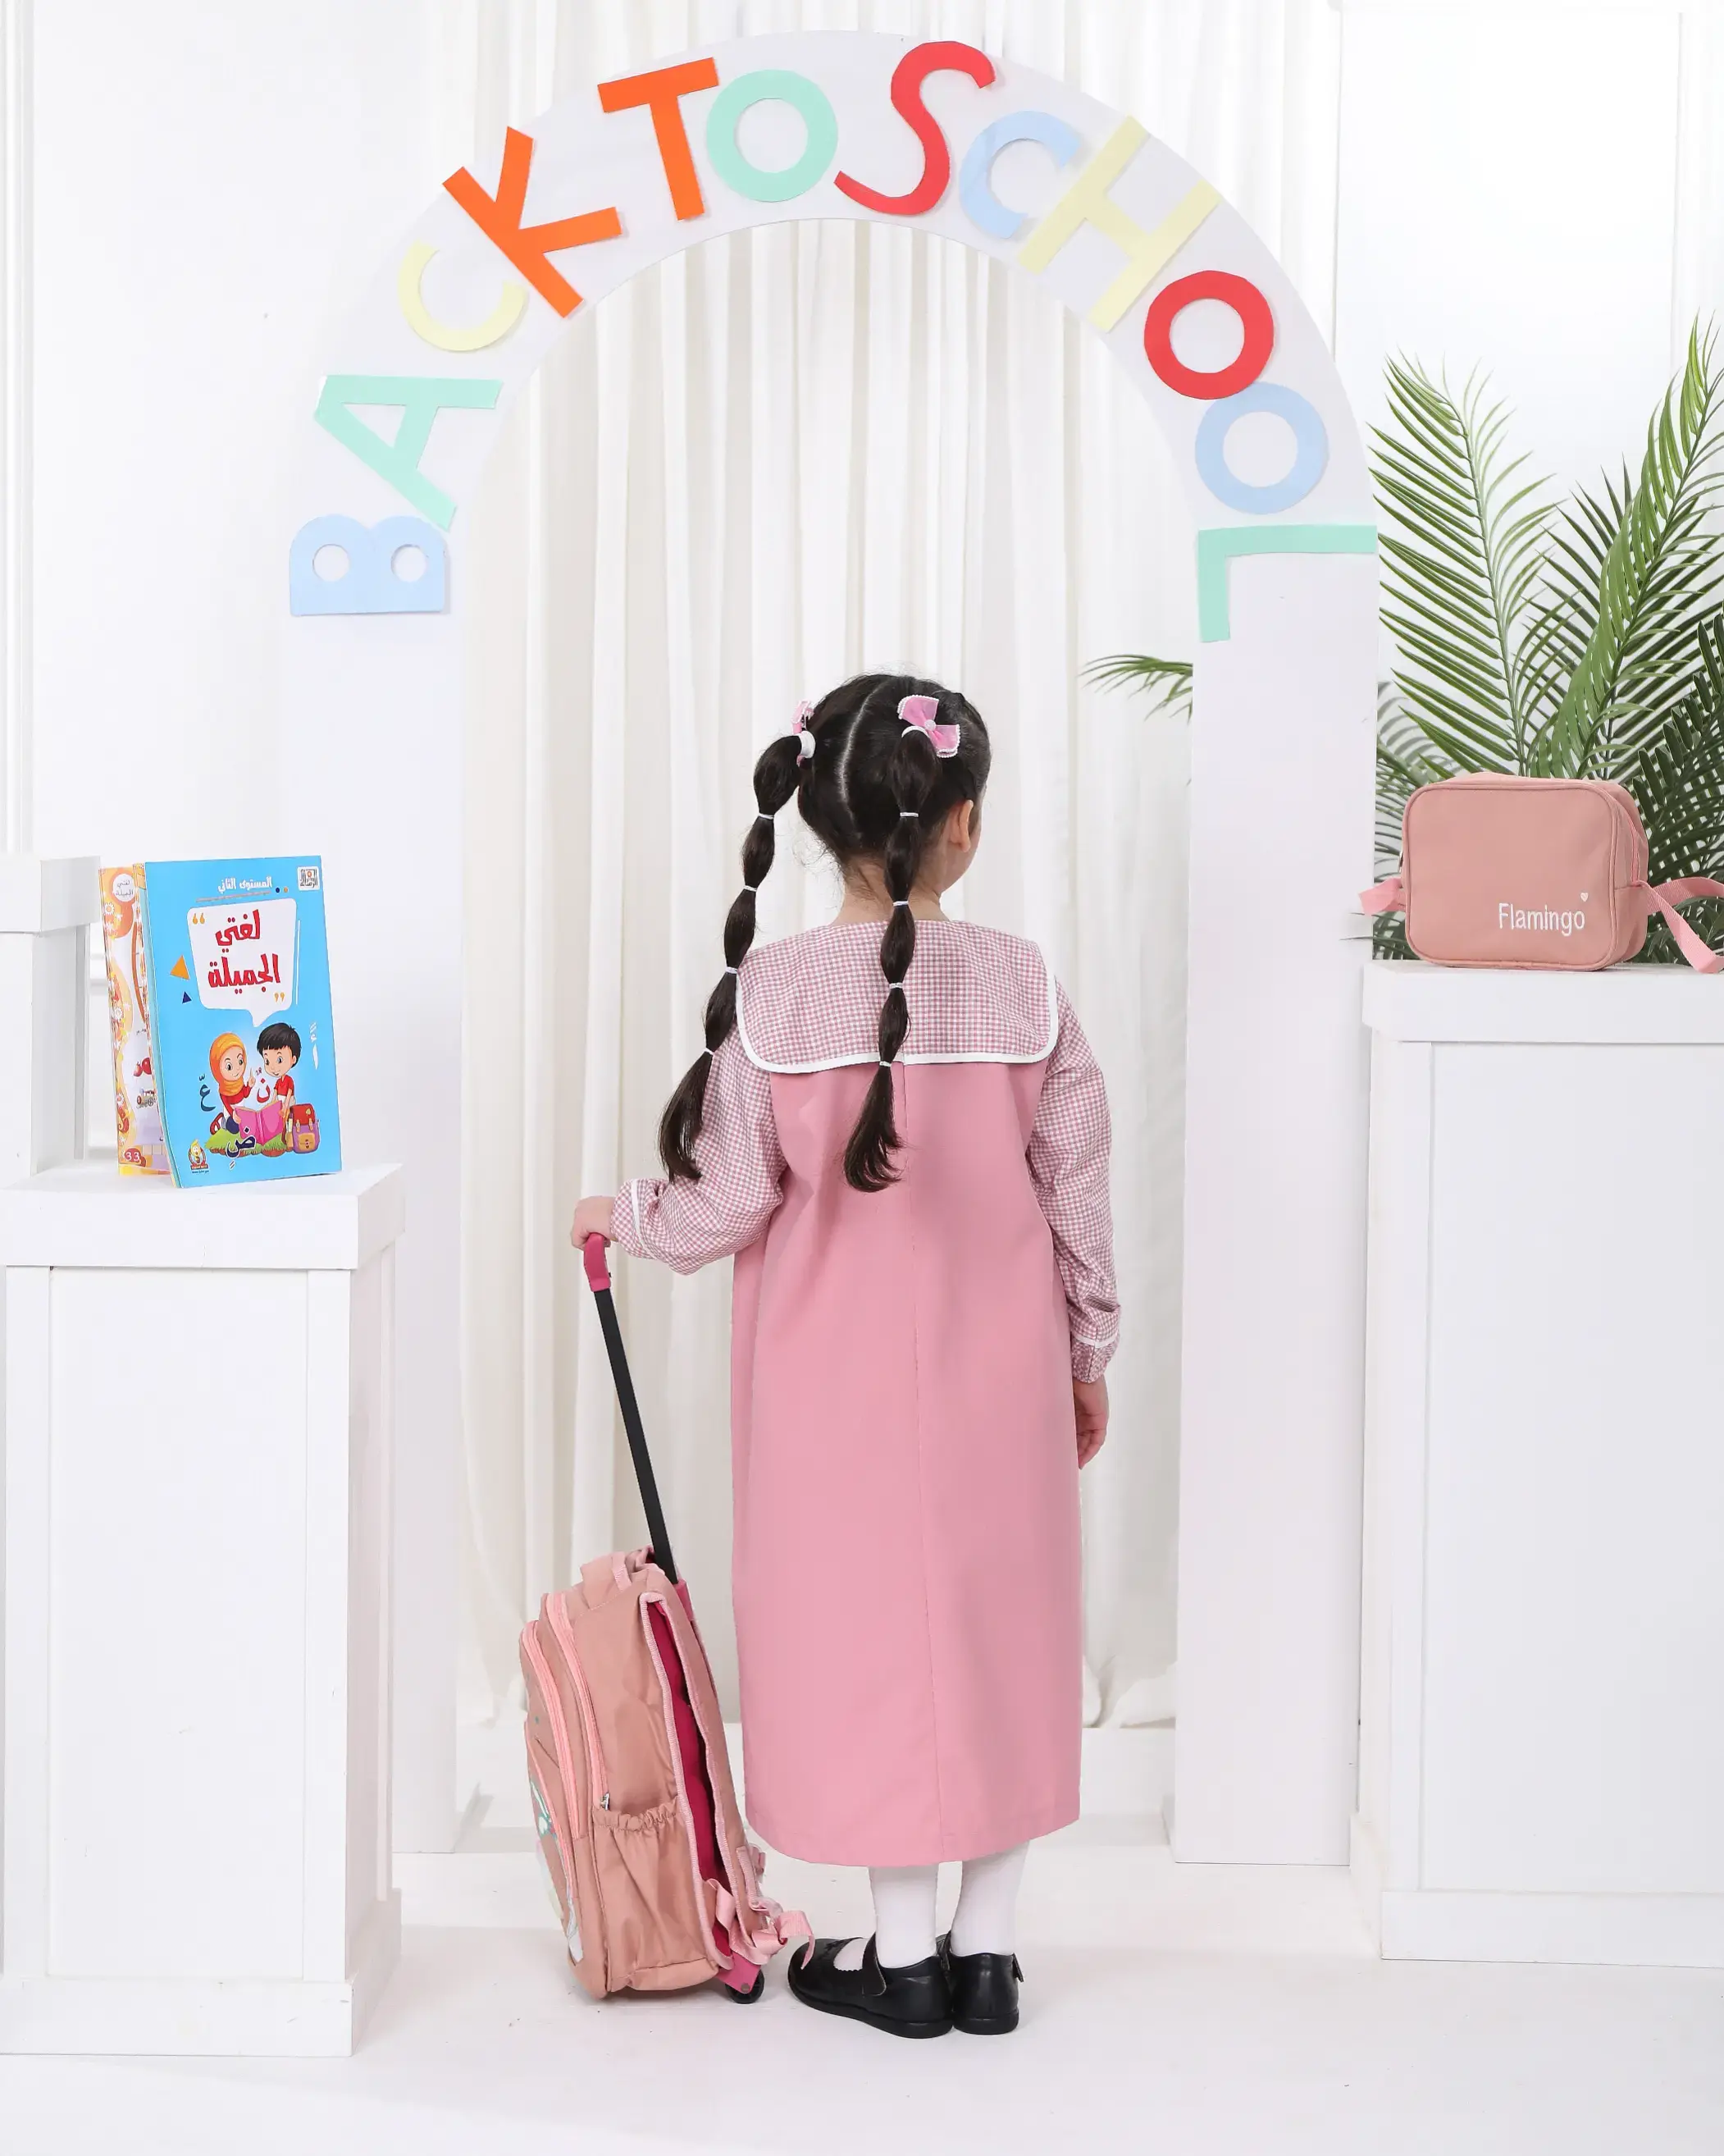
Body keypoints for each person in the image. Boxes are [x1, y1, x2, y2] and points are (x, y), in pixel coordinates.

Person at [570, 673, 1117, 2040]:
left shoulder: (772, 995)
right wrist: (1087, 1354)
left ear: (819, 822)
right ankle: (987, 1956)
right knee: (999, 1638)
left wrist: (618, 1215)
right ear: (961, 824)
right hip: (1001, 1382)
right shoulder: (1024, 985)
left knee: (870, 1644)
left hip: (829, 1404)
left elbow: (723, 1204)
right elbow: (1078, 1189)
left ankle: (904, 1954)